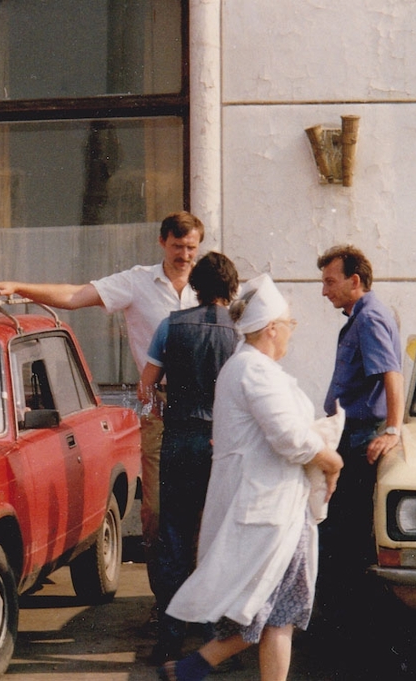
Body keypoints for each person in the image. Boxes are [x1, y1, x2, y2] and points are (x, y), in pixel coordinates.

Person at [0, 210, 202, 619]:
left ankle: (199, 600)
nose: (185, 256)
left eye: (192, 248)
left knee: (202, 507)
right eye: (178, 247)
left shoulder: (206, 284)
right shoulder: (138, 281)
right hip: (159, 408)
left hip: (204, 410)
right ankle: (167, 605)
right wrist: (20, 286)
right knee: (158, 508)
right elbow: (75, 296)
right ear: (163, 242)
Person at [160, 274, 344, 681]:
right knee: (266, 608)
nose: (291, 335)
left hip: (280, 508)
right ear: (273, 328)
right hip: (268, 512)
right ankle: (193, 666)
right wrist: (333, 461)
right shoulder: (253, 370)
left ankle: (193, 667)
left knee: (278, 613)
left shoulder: (250, 367)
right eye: (290, 326)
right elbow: (290, 439)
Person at [137, 251, 239, 663]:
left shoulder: (170, 325)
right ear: (230, 289)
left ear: (195, 287)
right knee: (218, 540)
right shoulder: (241, 331)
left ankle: (170, 635)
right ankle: (216, 637)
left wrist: (159, 411)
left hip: (179, 440)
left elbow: (145, 387)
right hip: (224, 444)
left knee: (174, 538)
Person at [316, 244, 403, 629]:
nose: (324, 291)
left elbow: (392, 375)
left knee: (344, 532)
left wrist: (393, 430)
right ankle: (343, 617)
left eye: (330, 281)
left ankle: (345, 623)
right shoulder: (359, 318)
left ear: (355, 281)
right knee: (340, 529)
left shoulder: (370, 319)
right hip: (348, 435)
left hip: (360, 438)